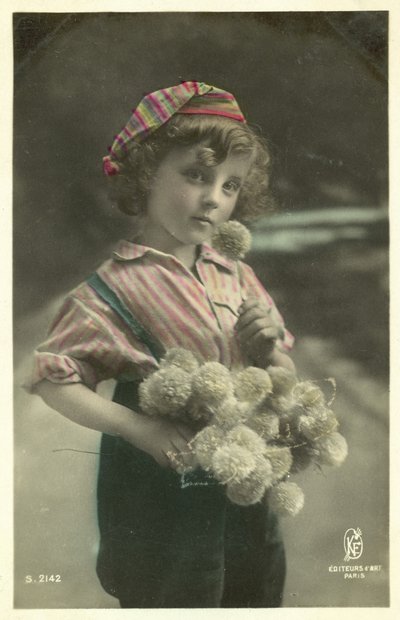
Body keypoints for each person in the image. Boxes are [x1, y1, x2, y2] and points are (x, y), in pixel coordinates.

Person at [25, 81, 295, 608]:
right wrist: (138, 427)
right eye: (196, 175)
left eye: (230, 185)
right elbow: (51, 379)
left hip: (243, 473)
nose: (214, 198)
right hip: (159, 484)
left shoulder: (236, 274)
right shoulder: (112, 288)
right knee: (172, 593)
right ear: (147, 174)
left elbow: (282, 373)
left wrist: (270, 352)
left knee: (251, 588)